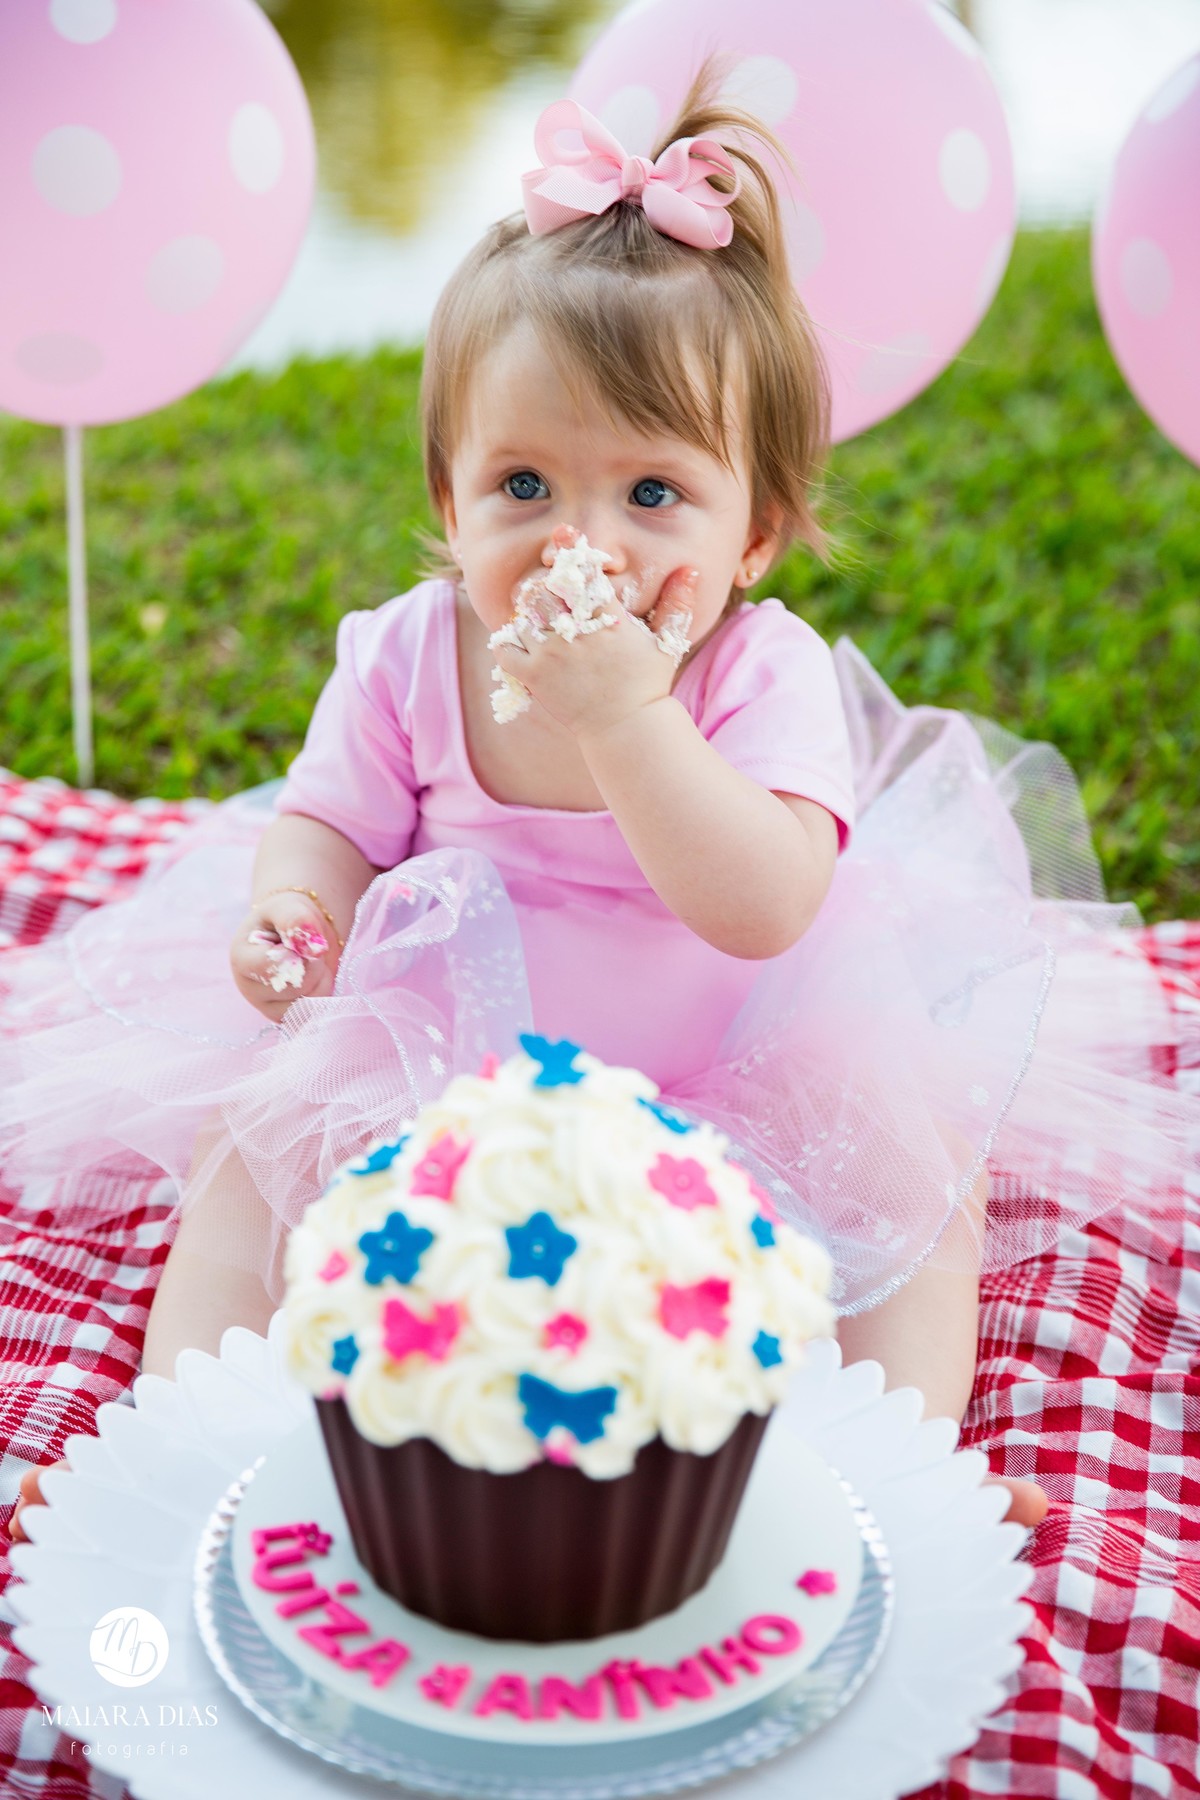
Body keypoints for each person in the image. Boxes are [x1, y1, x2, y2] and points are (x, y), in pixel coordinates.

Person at [6, 70, 1197, 1545]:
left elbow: (763, 904)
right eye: (523, 483)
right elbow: (329, 819)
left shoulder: (761, 677)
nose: (584, 539)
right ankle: (186, 1442)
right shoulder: (405, 654)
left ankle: (892, 1468)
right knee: (252, 1148)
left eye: (652, 494)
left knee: (912, 1179)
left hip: (730, 1062)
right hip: (448, 1052)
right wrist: (292, 909)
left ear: (752, 533)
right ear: (449, 505)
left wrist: (629, 715)